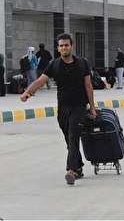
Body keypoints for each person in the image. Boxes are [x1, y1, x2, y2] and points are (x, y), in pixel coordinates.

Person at [20, 33, 97, 185]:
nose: (64, 48)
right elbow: (40, 81)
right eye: (61, 45)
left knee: (74, 135)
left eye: (66, 45)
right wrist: (28, 92)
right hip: (63, 108)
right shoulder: (54, 65)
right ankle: (79, 167)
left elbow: (88, 86)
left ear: (71, 46)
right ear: (58, 48)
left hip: (79, 106)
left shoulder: (82, 63)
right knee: (69, 140)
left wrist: (92, 108)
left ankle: (71, 170)